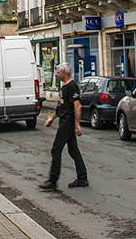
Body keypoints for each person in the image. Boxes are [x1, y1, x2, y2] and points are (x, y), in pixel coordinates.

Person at [40, 62, 88, 190]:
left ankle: (52, 180)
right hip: (64, 119)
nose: (56, 75)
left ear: (64, 73)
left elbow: (77, 106)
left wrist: (77, 125)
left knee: (56, 149)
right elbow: (61, 105)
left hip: (68, 121)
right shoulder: (64, 87)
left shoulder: (72, 86)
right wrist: (52, 118)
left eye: (58, 72)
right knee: (73, 150)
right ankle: (82, 178)